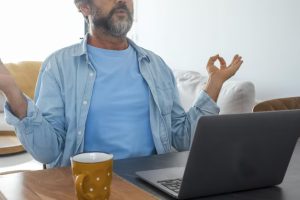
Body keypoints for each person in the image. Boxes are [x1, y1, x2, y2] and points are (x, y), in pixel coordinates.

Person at [0, 0, 243, 168]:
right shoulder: (59, 65)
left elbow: (181, 139)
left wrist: (214, 84)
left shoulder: (156, 65)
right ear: (84, 7)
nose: (122, 0)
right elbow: (48, 151)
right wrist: (11, 90)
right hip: (89, 182)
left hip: (152, 181)